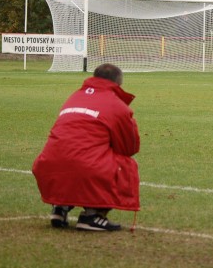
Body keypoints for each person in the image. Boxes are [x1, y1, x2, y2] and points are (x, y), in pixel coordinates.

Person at [32, 64, 140, 231]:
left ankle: (60, 207)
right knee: (124, 164)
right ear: (118, 83)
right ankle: (92, 215)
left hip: (47, 165)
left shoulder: (75, 96)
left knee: (74, 157)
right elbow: (129, 147)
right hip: (84, 168)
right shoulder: (117, 105)